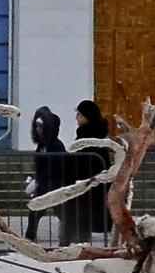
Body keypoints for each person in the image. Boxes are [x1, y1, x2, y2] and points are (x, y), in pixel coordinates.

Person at [60, 99, 112, 245]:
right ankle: (74, 244)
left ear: (87, 116)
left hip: (86, 183)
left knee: (79, 218)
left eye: (79, 114)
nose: (76, 117)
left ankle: (74, 247)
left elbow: (87, 160)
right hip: (88, 183)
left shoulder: (89, 135)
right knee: (78, 218)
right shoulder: (92, 133)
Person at [23, 106, 68, 243]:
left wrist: (38, 181)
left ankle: (67, 240)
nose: (37, 129)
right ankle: (29, 239)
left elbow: (55, 167)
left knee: (62, 214)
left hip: (56, 185)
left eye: (40, 127)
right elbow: (41, 165)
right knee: (35, 212)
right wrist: (35, 180)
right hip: (45, 186)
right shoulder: (42, 145)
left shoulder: (57, 146)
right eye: (36, 126)